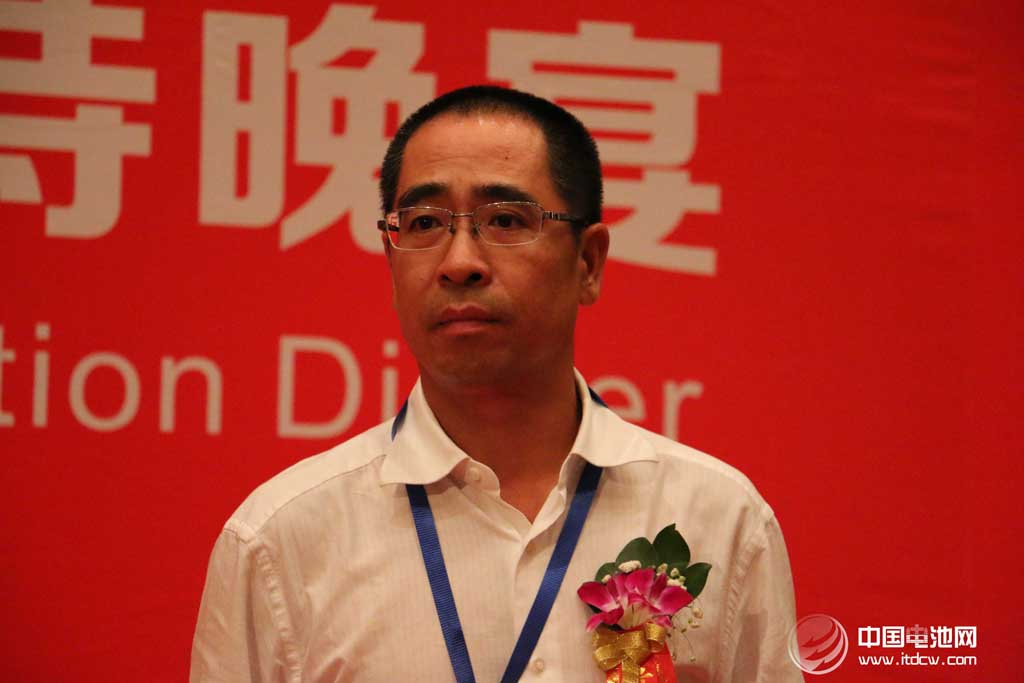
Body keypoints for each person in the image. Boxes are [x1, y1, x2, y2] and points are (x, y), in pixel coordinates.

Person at [191, 85, 801, 682]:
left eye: (505, 219)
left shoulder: (719, 517)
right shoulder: (279, 542)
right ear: (391, 259)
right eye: (424, 222)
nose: (459, 262)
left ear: (588, 263)